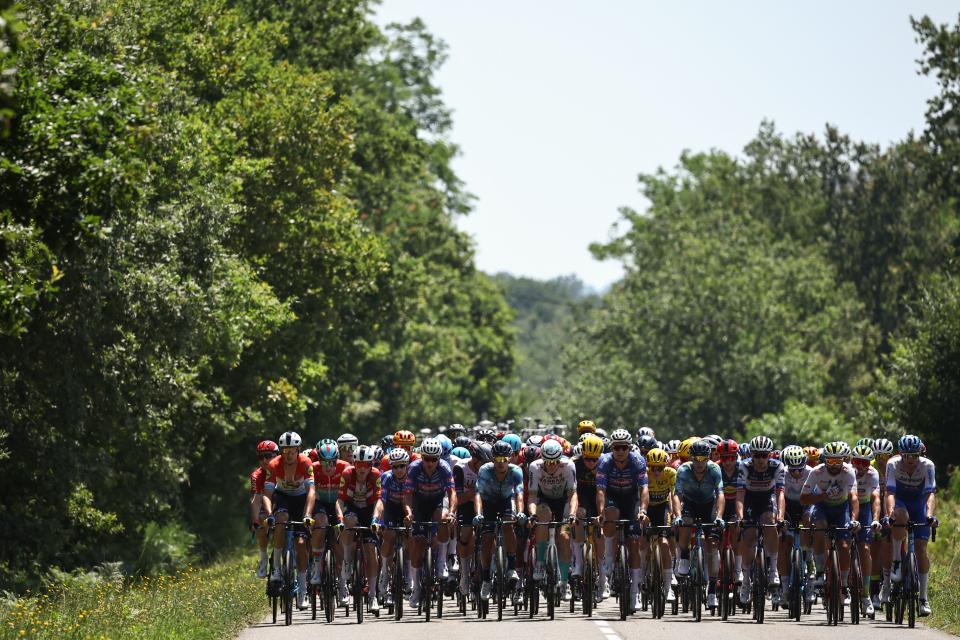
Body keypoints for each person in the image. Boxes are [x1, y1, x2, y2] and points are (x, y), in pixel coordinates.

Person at [596, 428, 650, 612]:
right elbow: (601, 490)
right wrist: (601, 512)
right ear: (612, 448)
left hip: (630, 498)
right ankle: (609, 559)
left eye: (624, 448)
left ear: (629, 448)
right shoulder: (604, 461)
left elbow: (643, 489)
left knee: (634, 544)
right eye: (617, 447)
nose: (620, 451)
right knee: (610, 515)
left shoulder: (638, 461)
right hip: (612, 496)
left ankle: (634, 593)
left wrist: (643, 510)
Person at [800, 441, 859, 608]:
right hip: (822, 507)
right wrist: (823, 496)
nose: (834, 465)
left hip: (841, 510)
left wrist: (854, 519)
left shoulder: (849, 472)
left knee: (845, 545)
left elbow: (853, 497)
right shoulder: (817, 472)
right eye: (830, 461)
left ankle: (844, 584)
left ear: (843, 460)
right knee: (819, 528)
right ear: (825, 460)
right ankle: (819, 571)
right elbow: (803, 498)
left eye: (838, 461)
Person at [885, 435, 937, 617]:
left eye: (914, 456)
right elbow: (889, 492)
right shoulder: (892, 464)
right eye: (907, 456)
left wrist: (930, 516)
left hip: (919, 504)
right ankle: (897, 562)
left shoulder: (928, 466)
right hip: (900, 501)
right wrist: (891, 513)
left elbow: (930, 493)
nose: (910, 460)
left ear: (920, 454)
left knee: (922, 551)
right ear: (900, 454)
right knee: (901, 516)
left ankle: (923, 599)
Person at [263, 431, 316, 610]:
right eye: (285, 451)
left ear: (298, 450)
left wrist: (307, 515)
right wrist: (269, 513)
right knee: (280, 519)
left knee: (301, 543)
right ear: (281, 452)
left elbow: (311, 492)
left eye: (292, 451)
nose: (288, 455)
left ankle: (302, 590)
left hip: (301, 501)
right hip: (284, 498)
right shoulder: (274, 464)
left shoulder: (305, 463)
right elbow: (268, 494)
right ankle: (276, 568)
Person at [403, 437, 456, 609]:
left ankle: (441, 561)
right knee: (417, 545)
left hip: (438, 501)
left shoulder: (445, 468)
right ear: (422, 457)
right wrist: (409, 512)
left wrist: (453, 512)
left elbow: (452, 493)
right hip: (419, 503)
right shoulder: (413, 468)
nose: (430, 463)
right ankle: (417, 588)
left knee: (443, 518)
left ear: (439, 459)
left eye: (434, 459)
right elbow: (408, 494)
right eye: (427, 458)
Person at [674, 439, 725, 609]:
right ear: (691, 458)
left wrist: (719, 516)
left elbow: (720, 494)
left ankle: (711, 591)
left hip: (708, 505)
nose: (699, 463)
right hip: (689, 504)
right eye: (696, 459)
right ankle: (684, 556)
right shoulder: (683, 470)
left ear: (708, 458)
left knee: (713, 545)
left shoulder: (714, 469)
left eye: (703, 459)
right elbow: (677, 495)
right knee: (685, 523)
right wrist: (677, 515)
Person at [736, 435, 785, 604]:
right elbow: (740, 494)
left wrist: (781, 516)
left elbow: (780, 493)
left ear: (770, 455)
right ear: (752, 455)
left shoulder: (777, 466)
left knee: (770, 522)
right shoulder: (745, 466)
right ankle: (746, 580)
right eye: (757, 455)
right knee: (749, 537)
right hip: (750, 498)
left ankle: (773, 570)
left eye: (764, 455)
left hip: (767, 498)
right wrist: (741, 517)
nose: (760, 459)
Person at [474, 440, 525, 600]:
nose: (501, 463)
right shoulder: (485, 470)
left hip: (506, 501)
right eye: (497, 459)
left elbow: (519, 495)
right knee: (487, 537)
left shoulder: (516, 471)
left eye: (504, 459)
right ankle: (487, 579)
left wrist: (521, 513)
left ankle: (511, 567)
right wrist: (478, 513)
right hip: (488, 502)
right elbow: (478, 494)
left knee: (509, 525)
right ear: (492, 459)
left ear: (510, 458)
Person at [528, 439, 578, 600]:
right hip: (544, 500)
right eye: (547, 462)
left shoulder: (569, 466)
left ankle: (564, 583)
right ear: (542, 458)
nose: (551, 465)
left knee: (564, 537)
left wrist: (572, 515)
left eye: (555, 461)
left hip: (563, 500)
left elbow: (572, 495)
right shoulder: (535, 467)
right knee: (542, 516)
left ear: (560, 458)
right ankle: (541, 562)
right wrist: (532, 514)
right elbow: (533, 497)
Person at [337, 444, 382, 612]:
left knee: (371, 550)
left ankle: (372, 596)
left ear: (371, 465)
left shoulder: (375, 475)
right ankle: (347, 561)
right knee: (348, 523)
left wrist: (376, 519)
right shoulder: (347, 473)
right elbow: (340, 500)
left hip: (369, 509)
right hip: (352, 507)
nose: (362, 469)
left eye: (366, 465)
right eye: (359, 464)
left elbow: (379, 501)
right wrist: (340, 518)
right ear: (354, 463)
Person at [373, 447, 411, 607]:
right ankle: (385, 574)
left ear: (407, 465)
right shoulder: (387, 478)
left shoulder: (412, 477)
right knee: (388, 537)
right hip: (390, 509)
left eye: (402, 466)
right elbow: (381, 501)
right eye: (395, 466)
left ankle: (409, 576)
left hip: (407, 508)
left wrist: (410, 515)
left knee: (411, 538)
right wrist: (376, 519)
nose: (398, 470)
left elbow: (413, 500)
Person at [309, 440, 348, 588]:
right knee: (320, 523)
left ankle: (342, 582)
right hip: (321, 504)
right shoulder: (312, 469)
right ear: (319, 460)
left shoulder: (345, 468)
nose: (329, 467)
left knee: (338, 544)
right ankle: (317, 567)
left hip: (340, 503)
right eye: (324, 463)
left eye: (332, 462)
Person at [642, 447, 677, 604]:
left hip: (662, 508)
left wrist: (676, 514)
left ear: (666, 466)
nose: (656, 471)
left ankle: (668, 586)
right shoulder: (644, 474)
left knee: (664, 543)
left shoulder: (671, 474)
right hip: (647, 508)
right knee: (643, 545)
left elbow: (674, 495)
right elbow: (638, 496)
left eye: (660, 468)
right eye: (653, 468)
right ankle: (642, 577)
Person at [571, 434, 603, 596]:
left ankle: (601, 569)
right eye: (587, 459)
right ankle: (578, 562)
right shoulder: (575, 464)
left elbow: (602, 492)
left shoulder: (605, 464)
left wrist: (602, 514)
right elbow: (573, 491)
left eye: (594, 459)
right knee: (579, 515)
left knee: (600, 527)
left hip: (600, 494)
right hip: (582, 495)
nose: (590, 462)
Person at [851, 444, 881, 616]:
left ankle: (866, 595)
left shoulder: (873, 474)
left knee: (865, 548)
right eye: (857, 462)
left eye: (865, 462)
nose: (861, 466)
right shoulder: (847, 471)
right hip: (846, 507)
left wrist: (876, 520)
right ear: (852, 461)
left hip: (864, 509)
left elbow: (876, 498)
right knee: (843, 545)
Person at [251, 440, 279, 577]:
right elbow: (256, 500)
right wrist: (255, 521)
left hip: (282, 503)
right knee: (262, 521)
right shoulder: (257, 476)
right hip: (266, 504)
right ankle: (263, 558)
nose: (264, 460)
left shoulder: (284, 469)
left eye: (268, 456)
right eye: (260, 457)